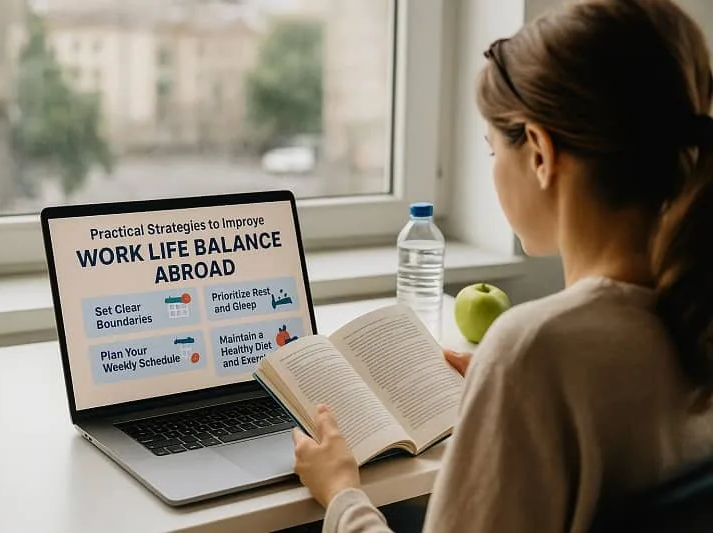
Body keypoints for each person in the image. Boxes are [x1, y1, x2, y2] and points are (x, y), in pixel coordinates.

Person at [291, 0, 713, 531]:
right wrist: (508, 396)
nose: (493, 169)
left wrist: (341, 493)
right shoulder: (690, 312)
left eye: (492, 150)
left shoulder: (536, 349)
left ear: (539, 152)